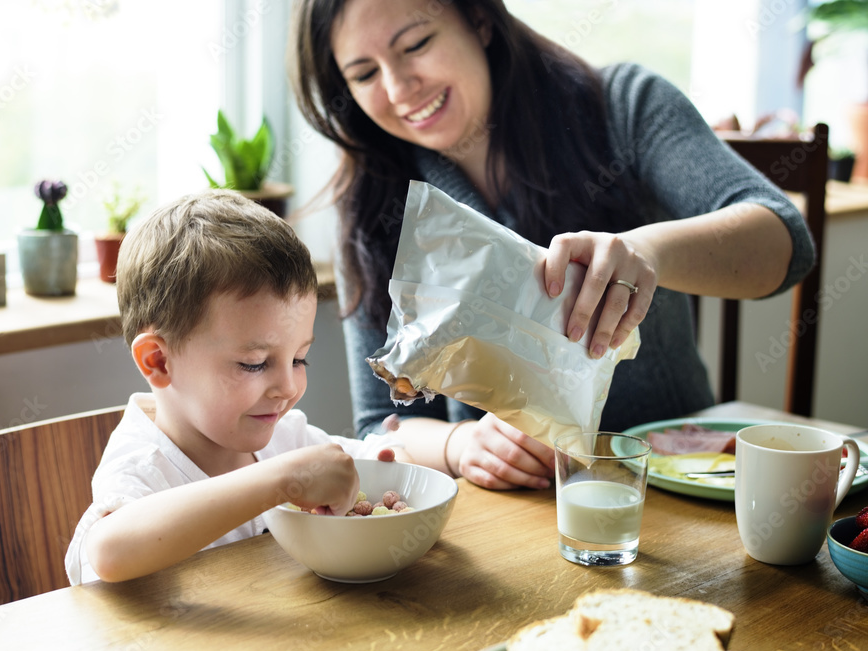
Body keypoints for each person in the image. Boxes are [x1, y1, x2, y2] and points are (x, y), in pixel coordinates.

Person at [288, 0, 815, 491]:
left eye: (416, 44)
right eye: (363, 74)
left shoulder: (623, 106)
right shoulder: (372, 203)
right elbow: (381, 425)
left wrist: (647, 254)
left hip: (673, 489)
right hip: (518, 519)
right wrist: (458, 444)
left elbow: (786, 241)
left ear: (479, 20)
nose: (399, 87)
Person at [64, 190, 419, 585]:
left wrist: (395, 458)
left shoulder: (284, 438)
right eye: (254, 364)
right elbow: (110, 552)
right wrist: (279, 481)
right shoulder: (144, 467)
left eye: (299, 359)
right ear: (159, 362)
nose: (287, 386)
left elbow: (365, 460)